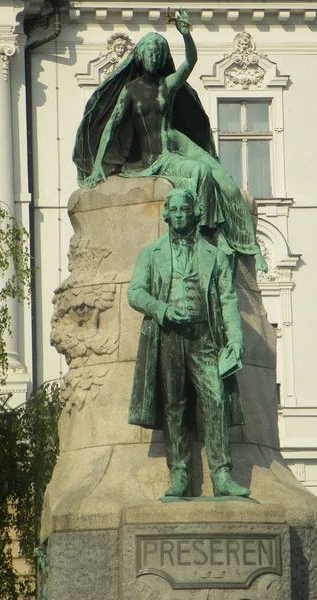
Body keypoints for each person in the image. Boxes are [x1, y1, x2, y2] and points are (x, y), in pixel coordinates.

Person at [73, 9, 267, 273]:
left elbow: (190, 61)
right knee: (199, 172)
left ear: (163, 56)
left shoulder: (167, 85)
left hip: (177, 142)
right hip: (158, 155)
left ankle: (248, 244)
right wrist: (98, 166)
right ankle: (210, 233)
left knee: (224, 178)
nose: (154, 57)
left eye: (158, 52)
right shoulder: (130, 90)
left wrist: (186, 35)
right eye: (149, 52)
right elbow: (111, 126)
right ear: (140, 56)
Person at [127, 188, 250, 498]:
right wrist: (162, 309)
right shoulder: (151, 253)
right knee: (174, 405)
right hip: (168, 336)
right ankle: (179, 473)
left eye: (186, 209)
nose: (180, 214)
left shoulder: (216, 255)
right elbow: (135, 293)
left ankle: (222, 475)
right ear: (167, 215)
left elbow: (228, 299)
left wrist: (235, 339)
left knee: (217, 400)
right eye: (175, 210)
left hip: (205, 337)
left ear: (195, 214)